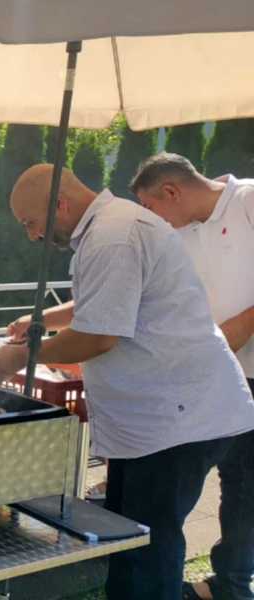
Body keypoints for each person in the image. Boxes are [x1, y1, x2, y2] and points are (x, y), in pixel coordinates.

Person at [0, 164, 254, 600]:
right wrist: (42, 327)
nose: (33, 236)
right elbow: (103, 306)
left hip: (176, 421)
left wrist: (22, 355)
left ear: (59, 204)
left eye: (31, 223)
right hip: (155, 422)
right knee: (128, 538)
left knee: (148, 549)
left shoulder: (115, 235)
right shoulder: (109, 230)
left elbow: (99, 336)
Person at [130, 152, 254, 600]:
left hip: (245, 372)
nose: (152, 219)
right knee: (228, 480)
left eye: (151, 207)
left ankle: (232, 583)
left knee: (245, 483)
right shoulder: (181, 231)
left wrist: (231, 336)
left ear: (171, 191)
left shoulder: (248, 201)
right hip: (216, 375)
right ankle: (227, 583)